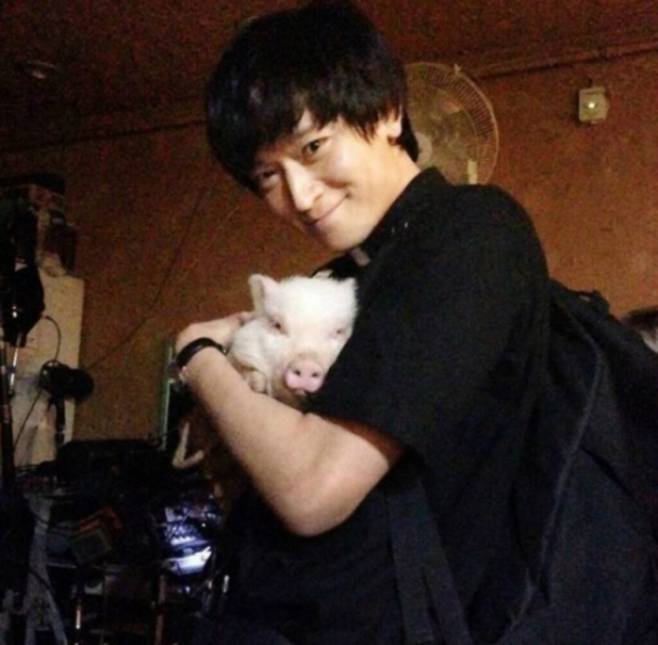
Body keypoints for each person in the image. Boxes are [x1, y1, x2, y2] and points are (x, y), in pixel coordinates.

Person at [174, 1, 658, 643]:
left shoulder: (469, 231)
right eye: (269, 175)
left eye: (313, 148)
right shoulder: (344, 280)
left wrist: (196, 355)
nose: (300, 196)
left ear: (387, 112)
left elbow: (312, 489)